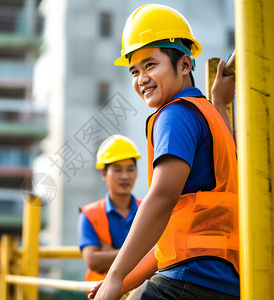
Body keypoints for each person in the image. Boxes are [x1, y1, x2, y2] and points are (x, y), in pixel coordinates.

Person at [90, 4, 239, 300]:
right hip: (221, 278)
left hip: (192, 277)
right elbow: (170, 241)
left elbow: (161, 198)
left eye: (150, 65)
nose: (140, 79)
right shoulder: (206, 114)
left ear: (184, 65)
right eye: (134, 70)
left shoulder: (175, 115)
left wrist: (115, 276)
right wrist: (121, 282)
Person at [78, 134, 142, 281]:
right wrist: (141, 252)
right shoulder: (89, 215)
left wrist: (110, 253)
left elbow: (160, 252)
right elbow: (93, 261)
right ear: (104, 174)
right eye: (118, 170)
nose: (125, 176)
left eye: (130, 169)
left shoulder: (148, 209)